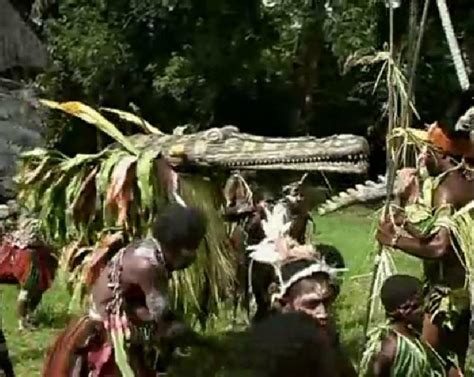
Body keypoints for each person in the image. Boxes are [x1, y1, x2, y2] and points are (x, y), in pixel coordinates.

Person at [42, 204, 209, 377]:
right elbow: (162, 316)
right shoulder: (147, 266)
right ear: (178, 247)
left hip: (117, 315)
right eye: (190, 249)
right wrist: (196, 342)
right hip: (105, 329)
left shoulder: (149, 248)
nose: (192, 256)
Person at [376, 122, 474, 372]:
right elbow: (443, 234)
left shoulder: (447, 189)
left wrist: (394, 240)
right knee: (453, 358)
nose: (421, 158)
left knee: (430, 358)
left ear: (439, 153)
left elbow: (439, 247)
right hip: (463, 290)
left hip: (448, 296)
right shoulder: (465, 181)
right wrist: (405, 221)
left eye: (425, 152)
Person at [248, 237, 356, 376]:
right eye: (312, 304)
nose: (322, 313)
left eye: (326, 302)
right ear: (283, 303)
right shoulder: (268, 352)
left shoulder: (328, 339)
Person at [360, 274, 450, 377]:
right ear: (403, 310)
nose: (423, 310)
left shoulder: (413, 337)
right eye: (418, 305)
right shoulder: (390, 347)